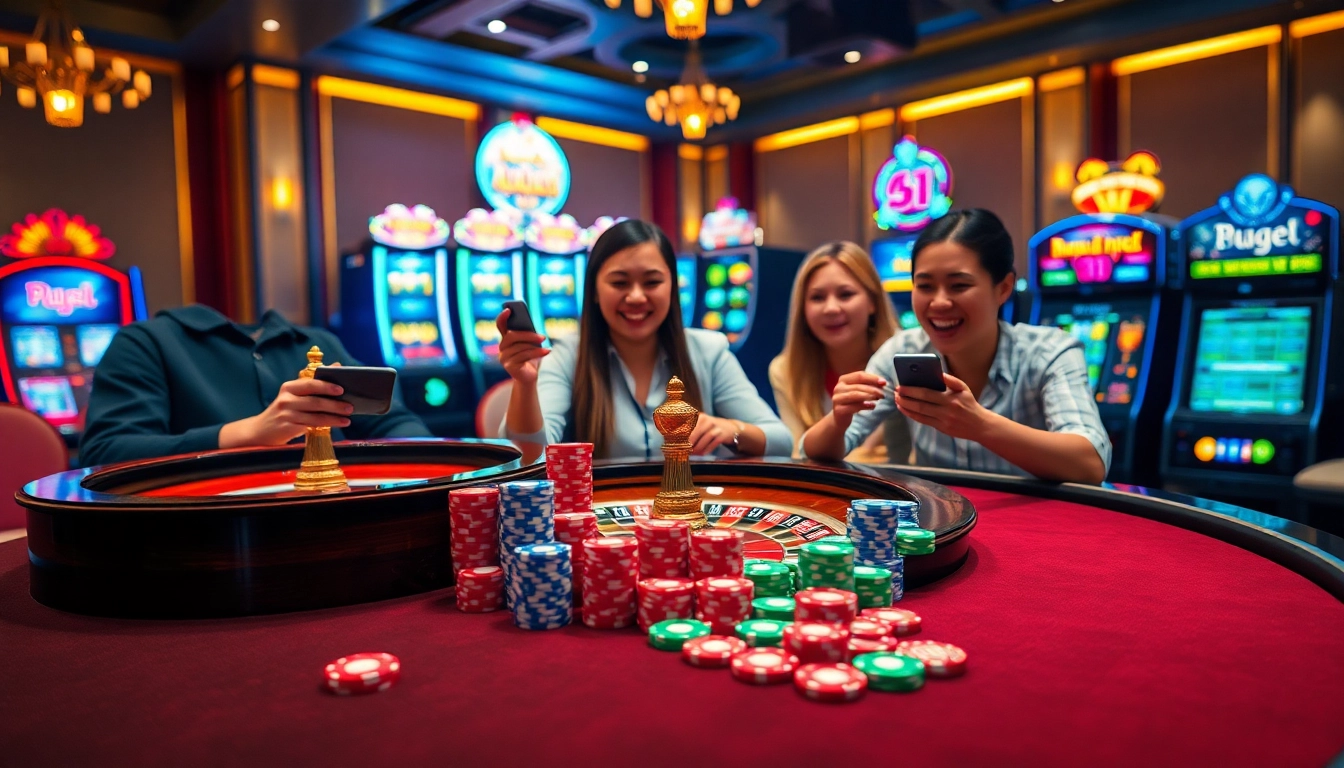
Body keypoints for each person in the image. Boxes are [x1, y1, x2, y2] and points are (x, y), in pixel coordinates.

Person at [801, 209, 1110, 483]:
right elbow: (811, 453)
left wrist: (979, 425)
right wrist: (838, 420)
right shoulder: (902, 351)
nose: (939, 302)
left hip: (1041, 527)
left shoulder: (1049, 351)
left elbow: (1090, 462)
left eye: (959, 285)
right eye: (924, 286)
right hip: (942, 527)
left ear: (1003, 288)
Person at [496, 218, 792, 460]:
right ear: (595, 291)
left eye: (652, 282)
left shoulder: (708, 350)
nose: (636, 296)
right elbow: (527, 457)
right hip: (607, 522)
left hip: (696, 516)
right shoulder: (567, 356)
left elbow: (781, 440)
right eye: (619, 282)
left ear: (672, 288)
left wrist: (732, 429)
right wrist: (525, 384)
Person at [80, 305, 431, 466]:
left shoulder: (315, 341)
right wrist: (252, 433)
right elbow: (105, 454)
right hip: (205, 536)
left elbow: (394, 422)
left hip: (337, 519)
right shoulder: (147, 342)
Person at [769, 241, 901, 461]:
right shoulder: (785, 369)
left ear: (872, 302)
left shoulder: (902, 358)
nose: (831, 308)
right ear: (802, 309)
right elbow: (797, 454)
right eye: (817, 298)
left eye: (845, 294)